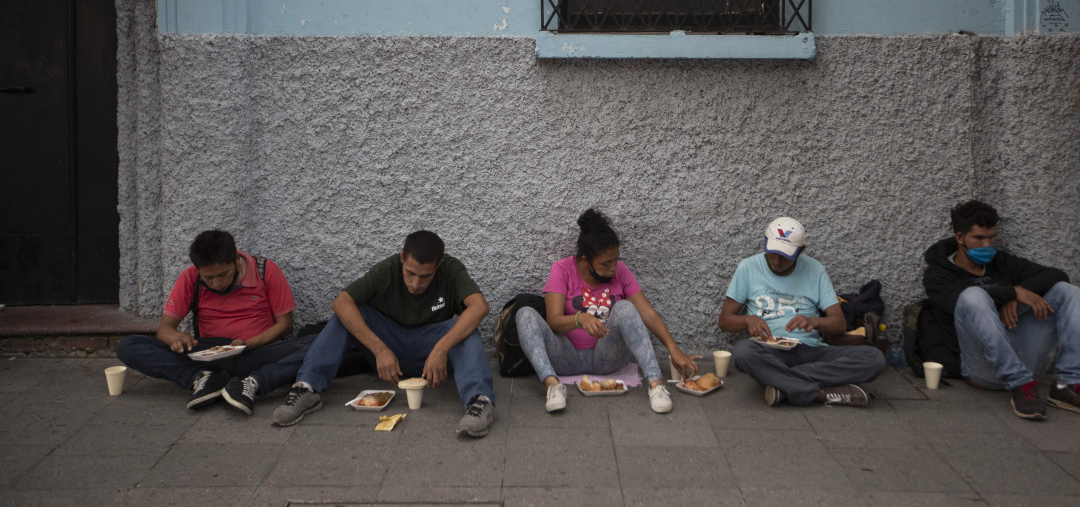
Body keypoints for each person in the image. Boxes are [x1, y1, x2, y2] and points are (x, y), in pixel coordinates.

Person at [271, 230, 496, 437]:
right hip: (390, 346)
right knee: (350, 313)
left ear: (439, 265)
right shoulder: (386, 269)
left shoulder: (452, 270)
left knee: (467, 327)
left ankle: (480, 401)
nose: (416, 283)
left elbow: (480, 307)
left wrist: (442, 348)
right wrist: (379, 349)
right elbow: (341, 302)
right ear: (401, 259)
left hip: (431, 350)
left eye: (425, 276)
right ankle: (307, 388)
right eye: (410, 273)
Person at [923, 200, 1080, 421]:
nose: (987, 245)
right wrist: (1011, 293)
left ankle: (1069, 384)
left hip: (1025, 355)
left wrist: (1021, 291)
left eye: (991, 237)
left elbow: (1057, 274)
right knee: (973, 296)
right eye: (978, 238)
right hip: (982, 367)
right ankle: (1020, 383)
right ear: (959, 238)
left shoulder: (1000, 262)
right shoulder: (938, 275)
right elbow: (958, 301)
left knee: (1067, 292)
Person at [515, 208, 697, 414]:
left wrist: (673, 349)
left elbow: (648, 314)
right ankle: (553, 387)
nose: (613, 267)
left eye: (616, 259)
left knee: (626, 307)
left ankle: (656, 385)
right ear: (584, 260)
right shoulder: (562, 270)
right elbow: (553, 321)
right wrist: (580, 319)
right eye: (605, 263)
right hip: (566, 356)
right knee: (525, 314)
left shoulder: (620, 271)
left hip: (607, 356)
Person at [116, 229, 314, 416]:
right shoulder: (190, 277)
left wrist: (250, 343)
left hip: (256, 351)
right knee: (128, 346)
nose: (216, 283)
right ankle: (201, 378)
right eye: (208, 278)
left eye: (222, 275)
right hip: (210, 353)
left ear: (236, 259)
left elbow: (285, 325)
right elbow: (165, 329)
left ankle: (255, 381)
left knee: (320, 343)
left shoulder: (266, 270)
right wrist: (176, 338)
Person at [718, 216, 886, 407]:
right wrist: (748, 320)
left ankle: (782, 384)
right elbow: (724, 321)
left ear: (800, 252)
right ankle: (821, 394)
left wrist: (814, 322)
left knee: (875, 359)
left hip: (811, 350)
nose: (777, 261)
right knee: (743, 352)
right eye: (772, 253)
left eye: (785, 256)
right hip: (769, 351)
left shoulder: (815, 270)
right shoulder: (748, 267)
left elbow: (839, 324)